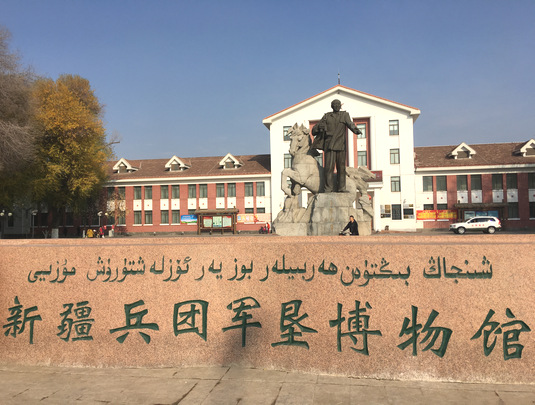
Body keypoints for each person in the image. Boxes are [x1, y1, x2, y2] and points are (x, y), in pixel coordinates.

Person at [312, 99, 362, 192]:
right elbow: (314, 130)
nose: (336, 106)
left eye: (338, 104)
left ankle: (341, 188)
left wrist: (356, 130)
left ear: (340, 106)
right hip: (329, 145)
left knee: (341, 168)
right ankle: (328, 188)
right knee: (328, 168)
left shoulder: (344, 115)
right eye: (334, 104)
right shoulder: (327, 116)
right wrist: (319, 127)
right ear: (332, 106)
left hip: (340, 145)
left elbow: (350, 124)